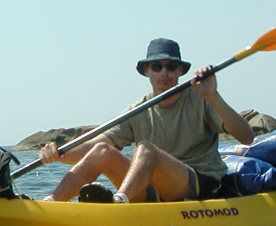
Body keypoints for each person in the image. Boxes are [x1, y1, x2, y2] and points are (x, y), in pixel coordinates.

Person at [38, 38, 255, 203]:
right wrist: (59, 153)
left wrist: (213, 95)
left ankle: (119, 204)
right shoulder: (138, 109)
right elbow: (96, 143)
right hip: (152, 188)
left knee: (145, 149)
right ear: (146, 71)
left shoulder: (202, 99)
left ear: (180, 70)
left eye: (171, 66)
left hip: (198, 184)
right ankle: (51, 204)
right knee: (102, 151)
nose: (165, 73)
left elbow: (246, 137)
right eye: (157, 67)